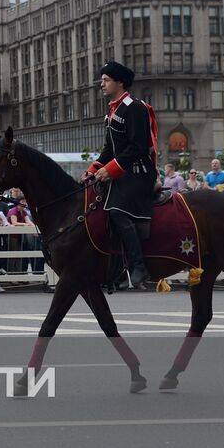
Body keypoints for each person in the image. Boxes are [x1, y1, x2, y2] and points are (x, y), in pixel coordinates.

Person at [84, 60, 157, 290]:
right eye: (102, 80)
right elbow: (109, 149)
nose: (101, 84)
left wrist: (111, 170)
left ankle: (138, 266)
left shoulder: (135, 108)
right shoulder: (113, 110)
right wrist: (93, 170)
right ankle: (112, 265)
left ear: (120, 82)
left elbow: (136, 147)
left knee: (116, 210)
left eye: (106, 80)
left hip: (138, 173)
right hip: (122, 172)